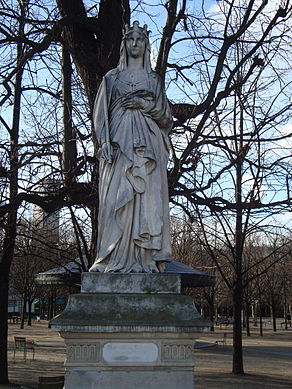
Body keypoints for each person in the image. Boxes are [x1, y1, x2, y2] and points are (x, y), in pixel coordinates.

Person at [89, 21, 173, 273]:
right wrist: (103, 141)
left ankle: (146, 258)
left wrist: (145, 105)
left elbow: (166, 116)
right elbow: (100, 115)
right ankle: (111, 257)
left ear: (146, 46)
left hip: (148, 148)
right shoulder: (112, 78)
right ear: (124, 44)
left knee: (147, 202)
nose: (135, 43)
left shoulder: (153, 79)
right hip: (118, 148)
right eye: (130, 39)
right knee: (116, 199)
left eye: (140, 40)